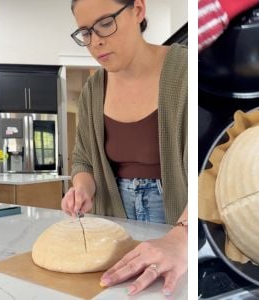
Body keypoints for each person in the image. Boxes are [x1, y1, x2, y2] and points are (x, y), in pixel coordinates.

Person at [63, 0, 187, 296]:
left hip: (180, 221)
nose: (96, 42)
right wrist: (83, 188)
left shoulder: (186, 71)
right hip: (114, 222)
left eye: (106, 23)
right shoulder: (92, 91)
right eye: (85, 32)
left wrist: (182, 237)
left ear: (138, 10)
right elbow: (83, 160)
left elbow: (210, 167)